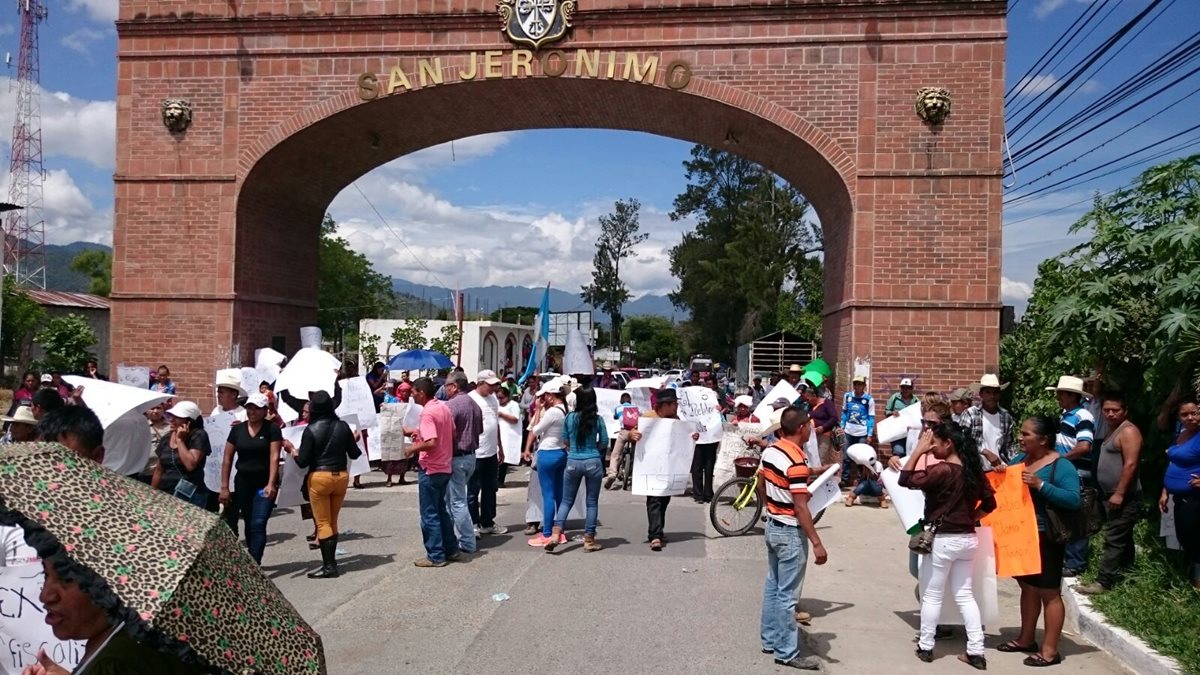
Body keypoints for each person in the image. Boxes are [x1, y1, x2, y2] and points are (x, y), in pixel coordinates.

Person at [898, 422, 996, 669]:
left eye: (935, 443)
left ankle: (926, 646)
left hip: (942, 540)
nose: (931, 448)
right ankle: (975, 650)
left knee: (932, 594)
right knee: (965, 595)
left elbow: (905, 479)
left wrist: (918, 450)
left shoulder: (942, 471)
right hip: (967, 539)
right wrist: (970, 518)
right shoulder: (974, 471)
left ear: (948, 443)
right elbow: (990, 504)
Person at [25, 556, 205, 675]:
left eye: (67, 578)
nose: (46, 595)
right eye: (46, 574)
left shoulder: (116, 662)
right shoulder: (130, 637)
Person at [998, 415, 1081, 667]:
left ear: (1044, 440)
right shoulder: (1019, 460)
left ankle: (1050, 650)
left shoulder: (1061, 465)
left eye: (1026, 435)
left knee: (1049, 592)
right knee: (1028, 588)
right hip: (1022, 536)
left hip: (1047, 537)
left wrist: (1041, 485)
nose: (1020, 438)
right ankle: (1026, 639)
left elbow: (1073, 500)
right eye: (1021, 433)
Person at [758, 406, 827, 671]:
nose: (811, 428)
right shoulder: (796, 461)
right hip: (789, 532)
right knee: (787, 596)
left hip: (773, 525)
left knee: (773, 587)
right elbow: (800, 507)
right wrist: (817, 542)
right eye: (809, 424)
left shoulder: (772, 450)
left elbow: (763, 484)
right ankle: (787, 651)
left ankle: (770, 640)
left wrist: (772, 506)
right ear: (801, 428)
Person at [287, 390, 359, 579]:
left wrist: (292, 450)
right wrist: (354, 438)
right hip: (341, 477)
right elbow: (354, 454)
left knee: (323, 523)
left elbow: (302, 462)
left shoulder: (310, 430)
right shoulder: (343, 426)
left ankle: (329, 566)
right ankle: (332, 563)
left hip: (319, 477)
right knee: (333, 520)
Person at [1076, 392, 1142, 595]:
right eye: (1107, 410)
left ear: (1125, 411)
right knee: (1123, 537)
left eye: (1116, 410)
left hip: (1122, 496)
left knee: (1113, 538)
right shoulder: (1112, 431)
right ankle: (1128, 574)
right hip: (1108, 494)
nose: (1111, 414)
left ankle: (1103, 582)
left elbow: (1131, 464)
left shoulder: (1128, 431)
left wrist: (1120, 493)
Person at [628, 388, 700, 551]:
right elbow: (630, 433)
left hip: (668, 468)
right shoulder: (647, 418)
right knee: (654, 500)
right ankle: (655, 535)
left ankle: (658, 530)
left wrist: (693, 437)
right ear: (664, 405)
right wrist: (632, 435)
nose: (676, 408)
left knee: (664, 500)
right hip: (650, 468)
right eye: (674, 404)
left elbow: (684, 436)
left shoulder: (675, 419)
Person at [219, 393, 282, 564]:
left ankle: (255, 562)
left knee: (259, 523)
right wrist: (224, 487)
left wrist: (271, 483)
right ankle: (252, 556)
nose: (252, 411)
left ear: (264, 410)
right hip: (243, 483)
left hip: (264, 483)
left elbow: (274, 457)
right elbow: (227, 459)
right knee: (248, 522)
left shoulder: (272, 430)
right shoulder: (237, 430)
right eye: (249, 407)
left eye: (256, 408)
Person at [404, 377, 460, 568]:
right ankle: (451, 549)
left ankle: (435, 555)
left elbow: (432, 442)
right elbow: (451, 433)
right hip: (445, 465)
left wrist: (412, 449)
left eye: (413, 392)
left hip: (431, 467)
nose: (412, 395)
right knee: (441, 511)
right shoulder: (443, 407)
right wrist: (419, 433)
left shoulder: (427, 413)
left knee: (429, 514)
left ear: (421, 393)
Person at [545, 386, 608, 552]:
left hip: (573, 460)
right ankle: (589, 540)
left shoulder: (569, 417)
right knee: (592, 503)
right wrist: (594, 448)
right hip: (593, 461)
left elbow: (565, 440)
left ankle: (555, 534)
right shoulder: (597, 419)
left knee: (566, 501)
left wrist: (574, 449)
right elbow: (604, 442)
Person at [1046, 375, 1095, 577]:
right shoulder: (1066, 415)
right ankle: (1068, 558)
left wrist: (1061, 459)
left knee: (1077, 516)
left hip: (1076, 471)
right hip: (1067, 471)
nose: (1057, 396)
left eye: (1060, 393)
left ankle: (1076, 562)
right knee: (1065, 515)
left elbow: (1084, 446)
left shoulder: (1083, 416)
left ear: (1070, 395)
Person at [1159, 398, 1200, 590]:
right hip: (1180, 499)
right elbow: (1174, 462)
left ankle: (1197, 586)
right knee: (1186, 539)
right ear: (1179, 417)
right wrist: (1165, 491)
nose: (1190, 418)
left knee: (1197, 542)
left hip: (1196, 499)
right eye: (1185, 414)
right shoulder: (1181, 434)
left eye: (1195, 413)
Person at [524, 379, 570, 547]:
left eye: (545, 396)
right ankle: (560, 531)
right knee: (558, 494)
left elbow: (535, 430)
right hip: (561, 453)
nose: (543, 399)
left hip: (547, 453)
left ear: (551, 396)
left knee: (548, 495)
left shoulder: (552, 412)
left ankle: (548, 533)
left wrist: (537, 410)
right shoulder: (565, 410)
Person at [443, 371, 481, 554]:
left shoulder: (451, 405)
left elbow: (446, 432)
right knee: (453, 500)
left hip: (457, 457)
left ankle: (467, 541)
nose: (445, 389)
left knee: (457, 502)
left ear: (455, 386)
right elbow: (479, 430)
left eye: (447, 386)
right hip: (471, 456)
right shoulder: (474, 404)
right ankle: (453, 537)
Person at [149, 401, 211, 508]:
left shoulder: (198, 435)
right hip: (166, 494)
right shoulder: (166, 438)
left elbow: (190, 465)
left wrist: (180, 441)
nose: (171, 420)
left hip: (190, 496)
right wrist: (151, 494)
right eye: (171, 416)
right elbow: (159, 470)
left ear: (189, 421)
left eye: (177, 417)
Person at [468, 370, 506, 536]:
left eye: (495, 385)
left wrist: (500, 447)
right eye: (490, 385)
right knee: (473, 490)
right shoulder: (471, 399)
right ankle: (473, 523)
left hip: (491, 451)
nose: (493, 388)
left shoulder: (493, 399)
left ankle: (487, 521)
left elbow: (495, 424)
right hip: (476, 452)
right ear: (480, 383)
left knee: (490, 488)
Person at [965, 374, 1018, 470]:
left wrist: (1014, 463)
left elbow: (1009, 445)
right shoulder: (971, 414)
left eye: (995, 393)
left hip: (1000, 469)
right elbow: (962, 440)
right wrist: (984, 451)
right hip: (976, 469)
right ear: (981, 394)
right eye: (988, 392)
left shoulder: (1006, 417)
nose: (992, 396)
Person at [840, 375, 875, 486]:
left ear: (864, 385)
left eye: (860, 384)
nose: (857, 386)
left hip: (862, 432)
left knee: (861, 457)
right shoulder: (847, 396)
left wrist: (869, 433)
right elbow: (845, 412)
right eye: (855, 384)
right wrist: (842, 425)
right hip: (849, 430)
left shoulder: (868, 399)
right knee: (846, 456)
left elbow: (871, 417)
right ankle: (845, 479)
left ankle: (861, 479)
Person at [800, 375, 838, 466]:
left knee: (821, 459)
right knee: (812, 459)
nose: (808, 401)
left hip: (824, 436)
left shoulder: (827, 403)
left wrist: (823, 427)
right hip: (812, 437)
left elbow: (834, 418)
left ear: (815, 396)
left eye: (809, 399)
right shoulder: (810, 406)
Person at [604, 392, 639, 488]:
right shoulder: (635, 408)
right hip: (634, 432)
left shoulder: (618, 408)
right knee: (637, 454)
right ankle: (636, 473)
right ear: (630, 400)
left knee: (615, 454)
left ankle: (612, 474)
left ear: (621, 401)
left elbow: (615, 417)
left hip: (624, 432)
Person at [138, 404, 170, 483]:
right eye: (152, 408)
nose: (155, 411)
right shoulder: (140, 426)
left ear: (163, 410)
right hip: (146, 470)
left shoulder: (171, 426)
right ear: (146, 410)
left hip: (165, 471)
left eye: (158, 408)